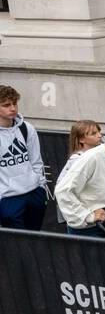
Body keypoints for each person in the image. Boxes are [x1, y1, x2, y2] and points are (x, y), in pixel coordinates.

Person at [0, 85, 48, 232]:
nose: (13, 108)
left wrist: (41, 187)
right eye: (6, 105)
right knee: (17, 245)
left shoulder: (26, 128)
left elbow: (36, 161)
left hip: (34, 193)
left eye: (14, 103)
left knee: (34, 240)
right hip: (7, 198)